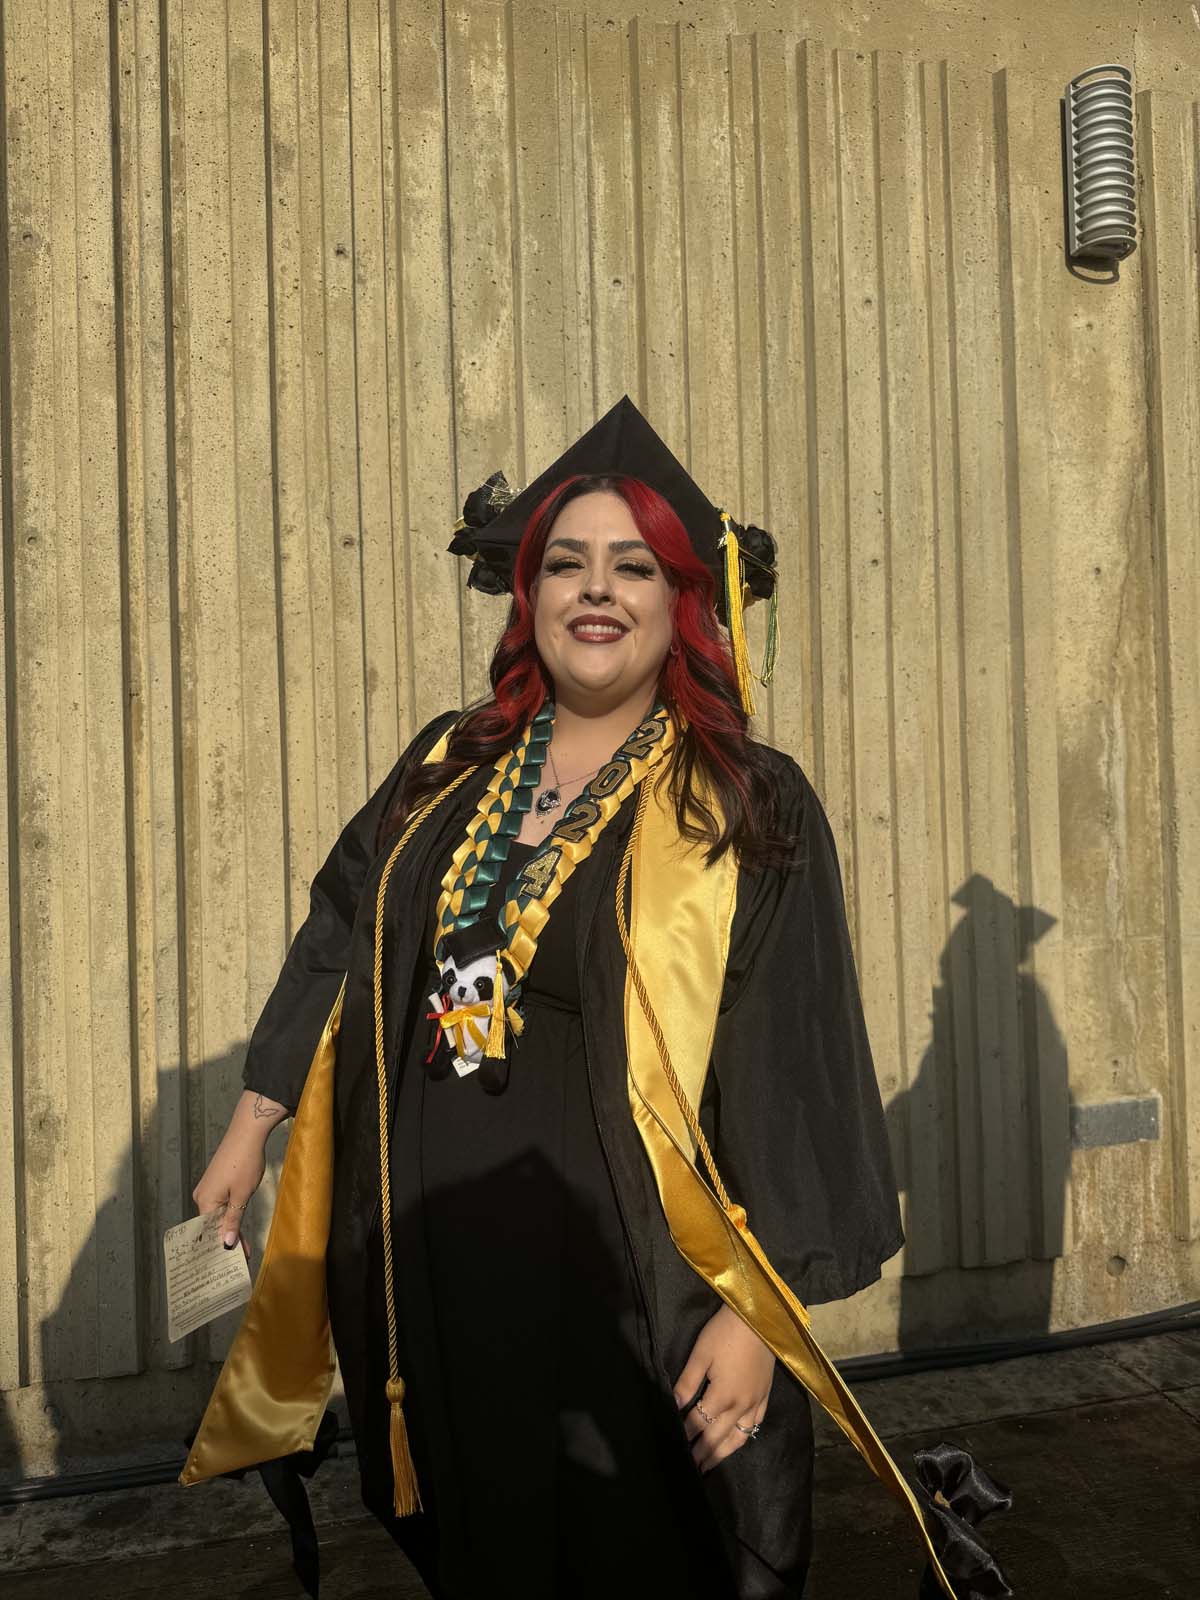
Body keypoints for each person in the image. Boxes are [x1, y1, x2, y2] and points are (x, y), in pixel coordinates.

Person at [182, 398, 1006, 1599]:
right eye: (566, 562)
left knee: (645, 1551)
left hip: (632, 1284)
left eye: (634, 565)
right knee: (483, 1538)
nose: (596, 589)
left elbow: (791, 1065)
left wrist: (756, 1322)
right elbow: (338, 933)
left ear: (684, 604)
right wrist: (251, 1128)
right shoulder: (445, 764)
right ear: (530, 597)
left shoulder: (742, 801)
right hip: (435, 1266)